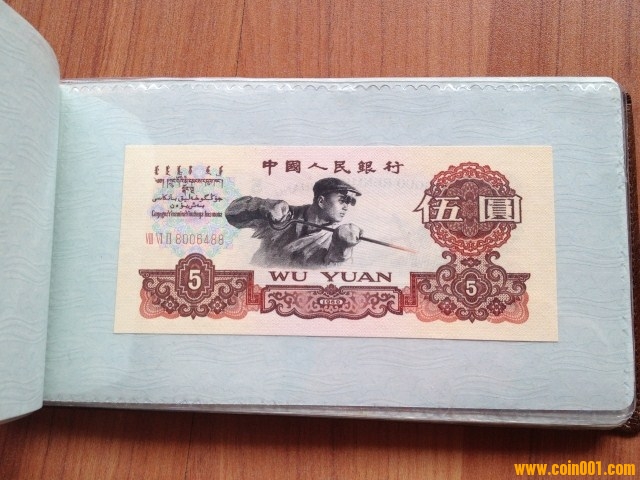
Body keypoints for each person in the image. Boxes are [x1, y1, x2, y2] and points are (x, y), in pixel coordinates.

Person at [225, 177, 363, 268]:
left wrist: (344, 248)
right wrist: (263, 206)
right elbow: (231, 214)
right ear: (321, 201)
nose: (346, 207)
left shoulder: (339, 239)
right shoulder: (282, 215)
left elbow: (329, 274)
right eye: (342, 200)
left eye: (350, 202)